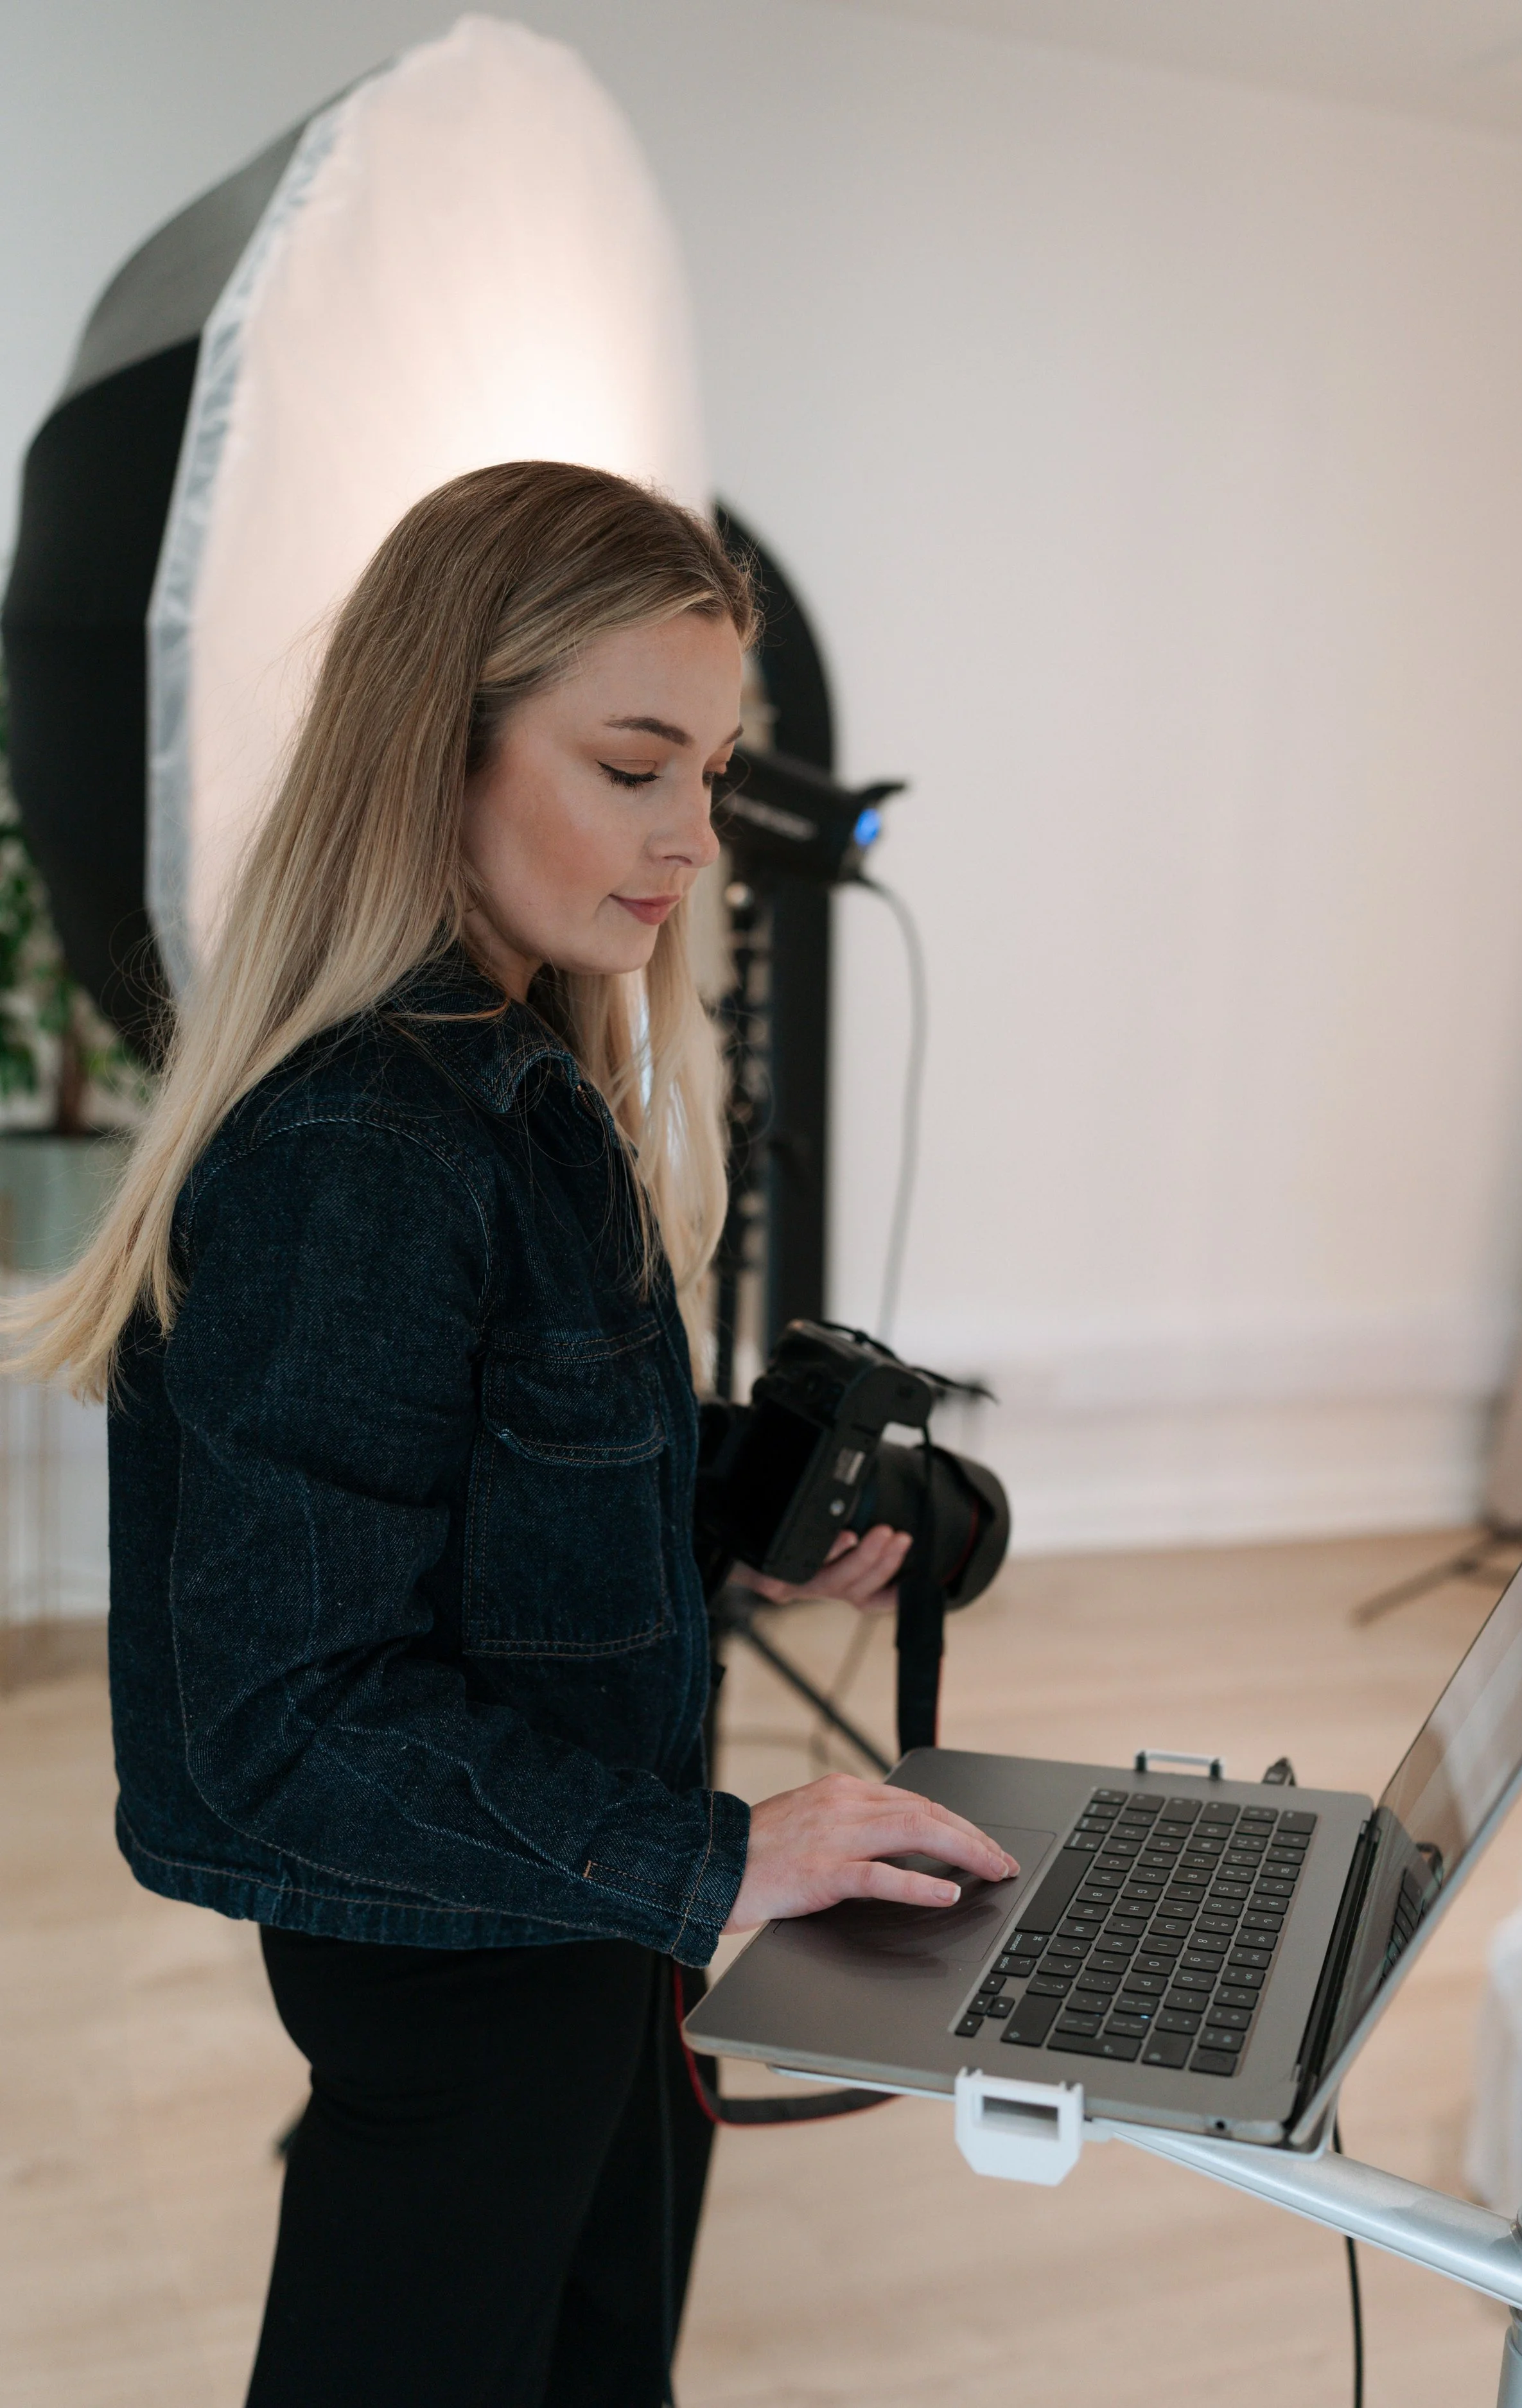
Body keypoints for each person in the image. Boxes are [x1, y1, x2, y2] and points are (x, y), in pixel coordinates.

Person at [8, 462, 1016, 2407]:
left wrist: (757, 1500)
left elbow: (494, 1469)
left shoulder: (508, 1078)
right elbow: (290, 1708)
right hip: (479, 1953)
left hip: (576, 1918)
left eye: (710, 773)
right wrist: (719, 1860)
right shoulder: (363, 1146)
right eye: (634, 764)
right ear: (435, 750)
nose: (694, 837)